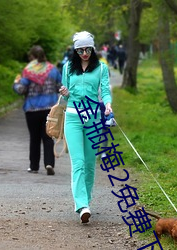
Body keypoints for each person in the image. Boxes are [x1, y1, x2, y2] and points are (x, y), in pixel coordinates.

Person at [59, 31, 112, 223]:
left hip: (94, 119)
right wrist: (64, 92)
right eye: (80, 50)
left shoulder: (101, 68)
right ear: (75, 50)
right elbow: (65, 97)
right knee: (78, 162)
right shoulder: (67, 68)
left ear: (93, 48)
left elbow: (105, 90)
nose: (84, 53)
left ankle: (86, 201)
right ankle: (81, 205)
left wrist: (107, 104)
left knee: (90, 164)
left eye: (88, 49)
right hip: (72, 118)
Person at [13, 45, 62, 175]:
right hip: (49, 109)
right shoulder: (53, 70)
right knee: (48, 137)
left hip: (32, 109)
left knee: (34, 138)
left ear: (32, 57)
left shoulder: (28, 71)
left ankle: (34, 166)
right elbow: (60, 87)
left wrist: (16, 83)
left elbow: (21, 90)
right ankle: (49, 163)